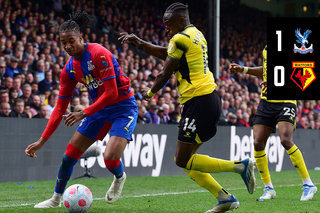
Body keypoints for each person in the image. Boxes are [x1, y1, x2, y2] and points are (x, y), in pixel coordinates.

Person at [119, 3, 255, 213]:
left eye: (168, 24)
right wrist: (139, 41)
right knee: (185, 161)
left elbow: (164, 73)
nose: (166, 29)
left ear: (181, 21)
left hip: (198, 102)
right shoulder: (196, 34)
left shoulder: (180, 38)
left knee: (182, 159)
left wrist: (149, 93)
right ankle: (224, 198)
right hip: (207, 99)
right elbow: (167, 54)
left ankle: (240, 166)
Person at [25, 11, 138, 209]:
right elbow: (59, 108)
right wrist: (41, 141)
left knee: (110, 159)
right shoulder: (68, 70)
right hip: (98, 110)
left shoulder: (98, 53)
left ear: (81, 38)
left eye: (71, 41)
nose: (68, 46)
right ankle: (55, 200)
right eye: (63, 43)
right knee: (68, 157)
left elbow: (111, 93)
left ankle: (119, 177)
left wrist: (83, 112)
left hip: (123, 107)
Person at [229, 45, 317, 201]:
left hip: (286, 100)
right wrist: (243, 70)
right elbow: (266, 69)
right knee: (257, 142)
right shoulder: (266, 49)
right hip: (266, 101)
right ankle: (268, 188)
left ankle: (308, 184)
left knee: (285, 140)